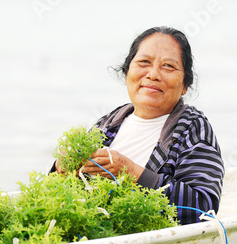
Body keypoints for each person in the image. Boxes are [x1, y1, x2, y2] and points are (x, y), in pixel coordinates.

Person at [52, 26, 224, 225]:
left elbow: (203, 207)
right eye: (144, 62)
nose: (153, 74)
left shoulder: (193, 128)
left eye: (168, 66)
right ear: (127, 73)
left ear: (185, 85)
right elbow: (68, 193)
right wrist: (62, 169)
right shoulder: (109, 123)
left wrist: (131, 172)